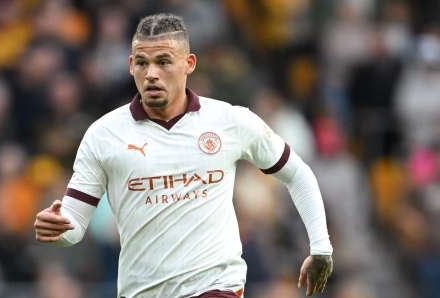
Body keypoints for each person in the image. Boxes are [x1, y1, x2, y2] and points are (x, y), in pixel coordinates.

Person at [34, 13, 333, 298]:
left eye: (163, 61)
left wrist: (321, 247)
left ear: (189, 63)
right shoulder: (103, 135)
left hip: (216, 287)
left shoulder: (230, 121)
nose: (151, 74)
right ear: (130, 65)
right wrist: (58, 228)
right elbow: (73, 225)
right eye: (142, 63)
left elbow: (298, 174)